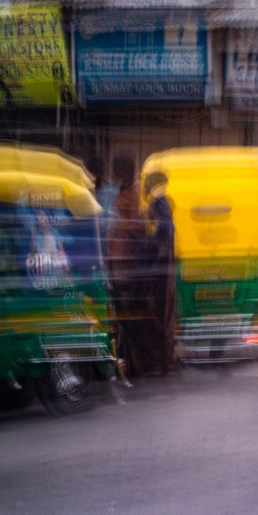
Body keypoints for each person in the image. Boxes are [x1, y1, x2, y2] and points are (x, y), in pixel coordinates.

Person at [106, 155, 149, 377]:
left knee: (130, 316)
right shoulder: (122, 190)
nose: (114, 176)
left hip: (130, 263)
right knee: (121, 315)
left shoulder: (137, 190)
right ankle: (126, 360)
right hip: (118, 260)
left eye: (117, 171)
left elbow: (139, 223)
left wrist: (118, 223)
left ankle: (134, 363)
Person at [141, 170, 177, 375]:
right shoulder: (163, 202)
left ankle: (163, 364)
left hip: (161, 269)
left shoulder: (159, 203)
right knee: (164, 315)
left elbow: (165, 229)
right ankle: (165, 362)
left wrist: (152, 244)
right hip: (165, 267)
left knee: (161, 315)